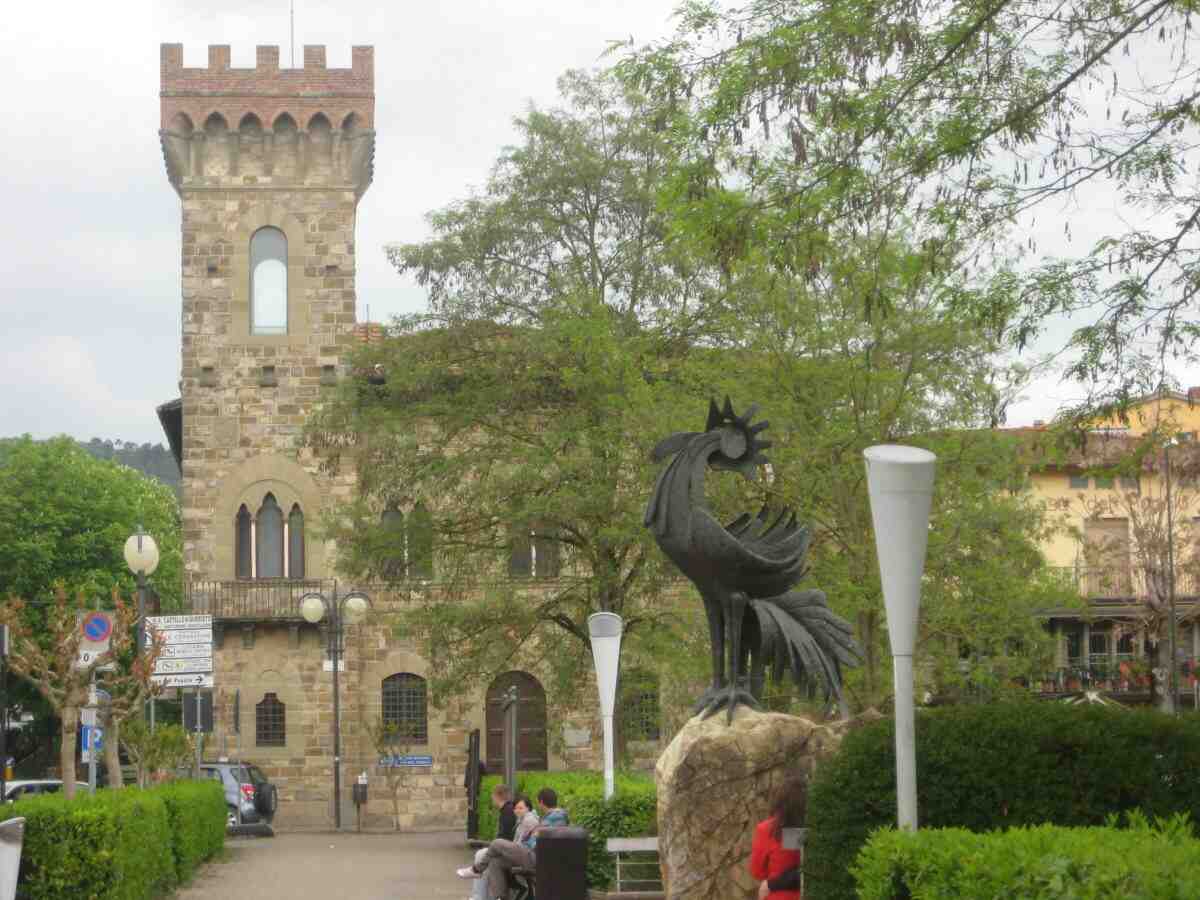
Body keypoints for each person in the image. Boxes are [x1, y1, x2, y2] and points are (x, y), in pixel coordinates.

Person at [477, 787, 569, 900]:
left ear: (541, 802)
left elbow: (536, 837)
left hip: (534, 856)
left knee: (497, 843)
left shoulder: (555, 817)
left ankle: (476, 869)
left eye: (520, 808)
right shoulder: (552, 817)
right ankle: (500, 897)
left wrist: (533, 835)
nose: (517, 810)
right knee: (496, 861)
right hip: (533, 853)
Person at [458, 788, 532, 898]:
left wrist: (495, 846)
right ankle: (496, 896)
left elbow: (508, 840)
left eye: (520, 808)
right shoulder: (518, 818)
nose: (516, 810)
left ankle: (478, 893)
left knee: (482, 854)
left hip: (522, 854)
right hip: (516, 851)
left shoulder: (525, 819)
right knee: (492, 860)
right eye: (516, 808)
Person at [750, 778, 806, 900]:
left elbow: (757, 870)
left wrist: (770, 881)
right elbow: (801, 866)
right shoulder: (808, 830)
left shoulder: (767, 829)